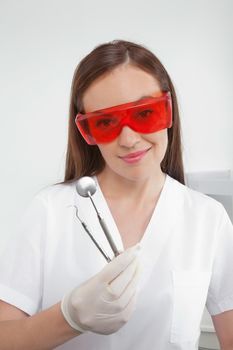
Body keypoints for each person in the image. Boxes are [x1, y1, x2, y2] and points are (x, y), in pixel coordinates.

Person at [0, 39, 233, 350]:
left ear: (168, 110)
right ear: (87, 132)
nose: (128, 139)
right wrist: (68, 317)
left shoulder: (207, 218)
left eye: (144, 113)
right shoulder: (51, 210)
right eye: (106, 122)